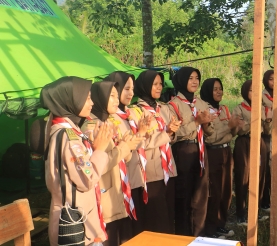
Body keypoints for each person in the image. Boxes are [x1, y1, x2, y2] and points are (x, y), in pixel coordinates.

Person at [43, 76, 111, 246]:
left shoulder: (65, 131)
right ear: (71, 101)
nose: (92, 103)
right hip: (77, 226)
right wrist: (100, 149)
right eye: (87, 98)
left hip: (79, 220)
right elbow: (86, 178)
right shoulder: (68, 136)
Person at [86, 81, 142, 246]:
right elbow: (97, 166)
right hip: (105, 198)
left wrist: (127, 146)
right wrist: (123, 148)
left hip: (120, 193)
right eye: (111, 96)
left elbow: (125, 158)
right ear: (100, 98)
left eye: (117, 96)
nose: (116, 101)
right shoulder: (92, 127)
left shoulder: (111, 122)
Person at [129, 70, 181, 235]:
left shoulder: (163, 108)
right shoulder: (135, 112)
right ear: (145, 86)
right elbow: (141, 141)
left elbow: (171, 137)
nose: (159, 87)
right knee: (156, 217)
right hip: (151, 172)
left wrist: (172, 131)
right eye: (155, 84)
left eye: (160, 84)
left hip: (168, 169)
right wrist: (165, 133)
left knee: (169, 212)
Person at [167, 67, 216, 236]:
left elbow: (210, 133)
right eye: (190, 78)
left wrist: (207, 123)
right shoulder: (173, 105)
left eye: (197, 78)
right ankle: (183, 235)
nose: (195, 81)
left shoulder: (202, 104)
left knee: (200, 195)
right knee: (184, 196)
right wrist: (195, 122)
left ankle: (199, 234)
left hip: (201, 150)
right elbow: (174, 133)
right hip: (183, 151)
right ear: (181, 80)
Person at [201, 78, 244, 239]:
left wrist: (234, 128)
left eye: (220, 88)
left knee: (226, 191)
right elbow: (210, 138)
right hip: (212, 153)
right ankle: (211, 228)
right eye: (215, 89)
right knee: (215, 191)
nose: (219, 92)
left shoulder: (224, 109)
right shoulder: (205, 111)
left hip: (227, 151)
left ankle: (221, 224)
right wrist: (229, 127)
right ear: (207, 91)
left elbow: (231, 135)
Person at [231, 80, 270, 225]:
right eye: (251, 90)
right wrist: (253, 123)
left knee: (260, 175)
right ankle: (241, 213)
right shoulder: (239, 109)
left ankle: (256, 210)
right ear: (245, 92)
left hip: (259, 142)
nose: (254, 93)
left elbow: (267, 130)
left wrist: (267, 121)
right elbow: (239, 130)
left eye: (257, 90)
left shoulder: (261, 108)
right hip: (244, 143)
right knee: (243, 176)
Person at [260, 70, 275, 211]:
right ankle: (265, 200)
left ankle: (273, 198)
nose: (274, 82)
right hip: (267, 134)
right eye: (271, 79)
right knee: (267, 168)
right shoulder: (262, 95)